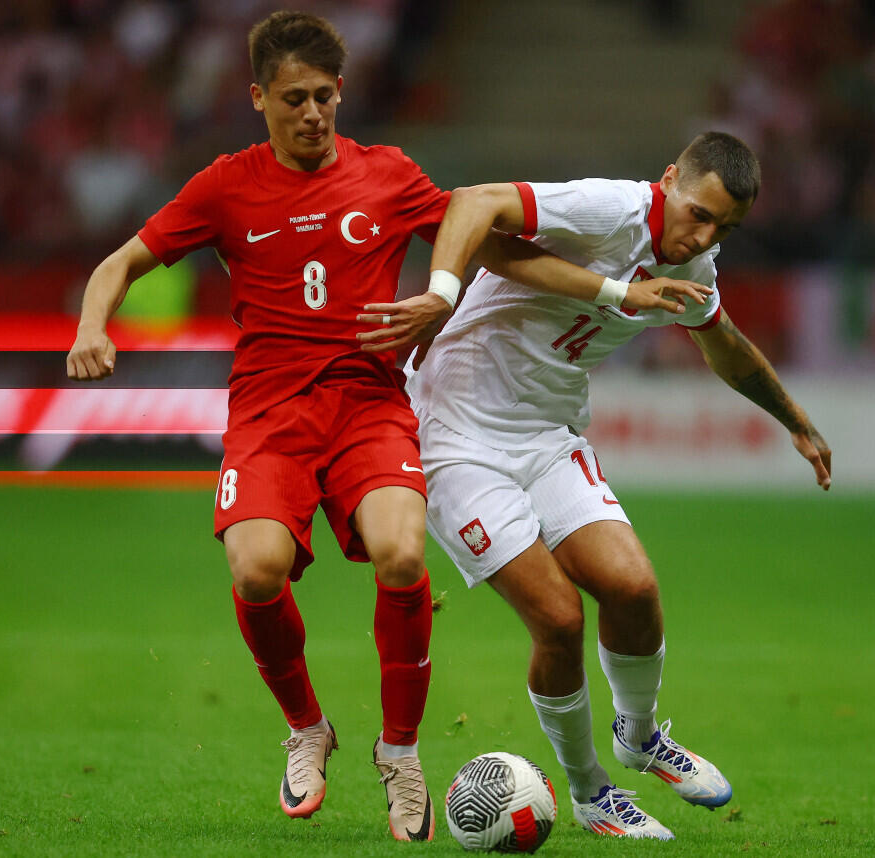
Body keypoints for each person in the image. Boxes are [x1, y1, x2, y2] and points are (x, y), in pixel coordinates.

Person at [65, 10, 696, 842]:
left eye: (326, 96)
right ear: (258, 97)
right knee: (257, 572)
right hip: (268, 414)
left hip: (369, 405)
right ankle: (307, 728)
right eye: (294, 99)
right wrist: (91, 327)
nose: (313, 115)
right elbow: (122, 261)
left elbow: (493, 247)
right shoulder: (225, 185)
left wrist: (612, 294)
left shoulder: (388, 174)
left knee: (401, 553)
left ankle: (400, 752)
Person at [360, 131, 832, 839]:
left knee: (635, 589)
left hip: (548, 436)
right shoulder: (606, 209)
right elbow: (473, 203)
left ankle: (639, 738)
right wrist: (440, 294)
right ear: (669, 180)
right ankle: (588, 792)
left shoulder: (697, 258)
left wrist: (795, 421)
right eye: (698, 213)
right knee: (558, 619)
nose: (703, 235)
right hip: (455, 437)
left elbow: (722, 339)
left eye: (725, 228)